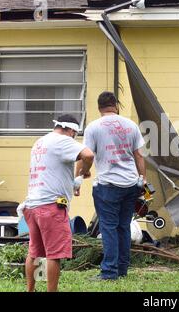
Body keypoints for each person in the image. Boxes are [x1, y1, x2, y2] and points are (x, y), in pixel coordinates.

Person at [76, 91, 146, 280]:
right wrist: (143, 179)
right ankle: (122, 269)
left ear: (99, 108)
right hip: (131, 184)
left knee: (108, 228)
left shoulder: (94, 127)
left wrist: (82, 175)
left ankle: (109, 272)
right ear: (115, 105)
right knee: (123, 226)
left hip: (108, 185)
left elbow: (86, 155)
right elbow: (139, 155)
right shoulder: (131, 125)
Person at [20, 114, 94, 292]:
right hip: (51, 207)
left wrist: (76, 179)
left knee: (34, 252)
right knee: (54, 255)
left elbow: (59, 167)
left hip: (32, 206)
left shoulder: (40, 142)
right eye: (74, 134)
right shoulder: (62, 140)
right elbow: (88, 155)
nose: (74, 138)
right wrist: (86, 169)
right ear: (70, 130)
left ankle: (30, 290)